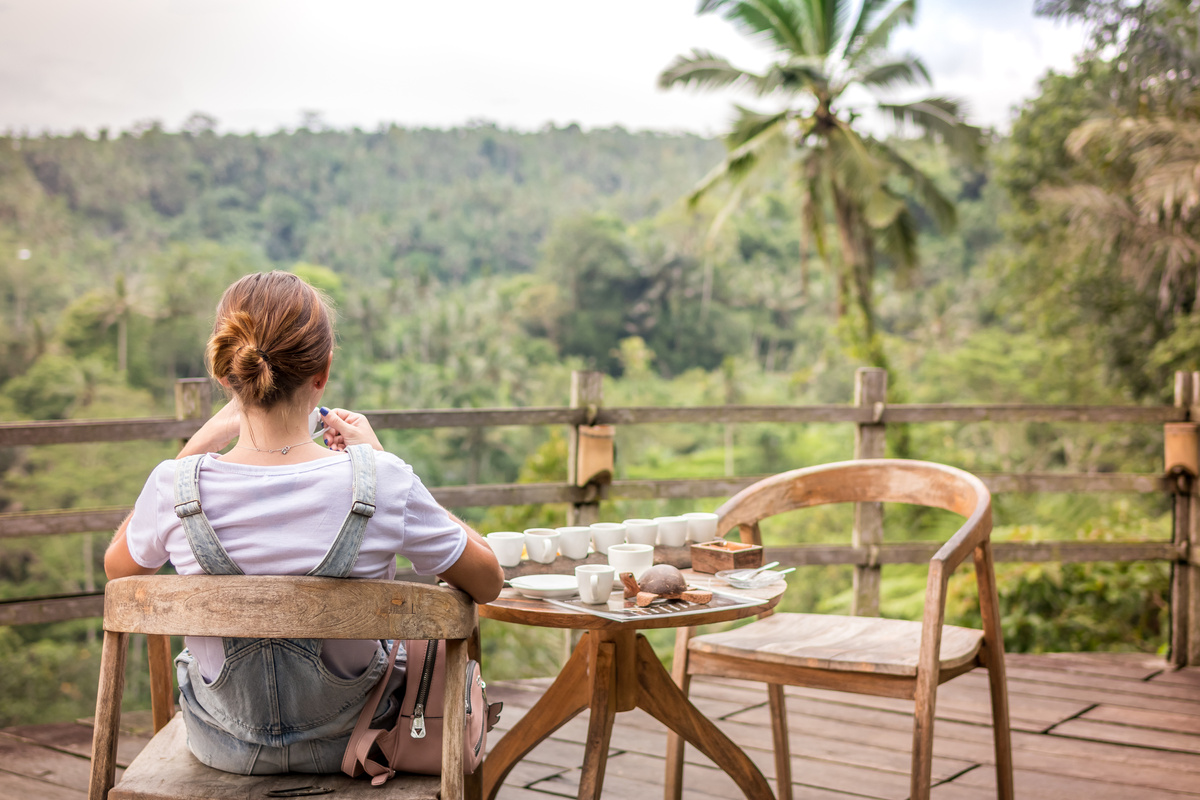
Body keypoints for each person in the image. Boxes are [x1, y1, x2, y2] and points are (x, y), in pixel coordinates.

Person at [104, 270, 504, 775]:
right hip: (360, 738)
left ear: (227, 374)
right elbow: (488, 580)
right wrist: (385, 461)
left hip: (220, 742)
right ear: (324, 372)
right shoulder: (381, 481)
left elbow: (118, 571)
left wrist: (197, 448)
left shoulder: (172, 487)